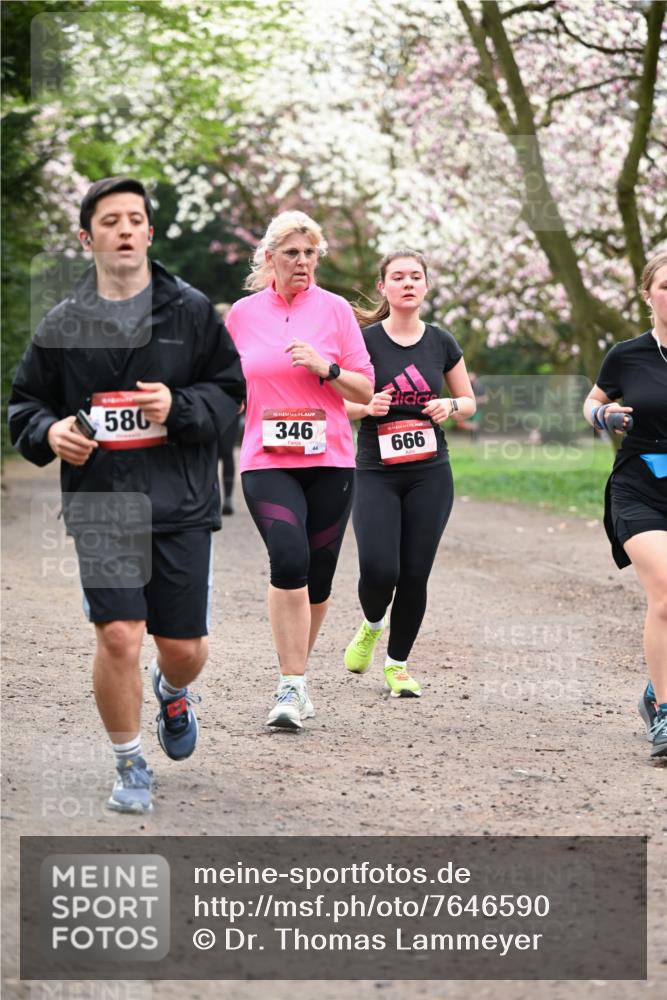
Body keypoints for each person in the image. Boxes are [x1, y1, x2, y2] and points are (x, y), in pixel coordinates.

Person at [8, 176, 245, 812]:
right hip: (101, 501)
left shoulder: (190, 311)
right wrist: (49, 430)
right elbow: (24, 403)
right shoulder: (63, 322)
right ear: (88, 238)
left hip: (181, 499)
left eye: (135, 219)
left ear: (148, 231)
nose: (125, 230)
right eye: (110, 221)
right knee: (118, 635)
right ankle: (129, 763)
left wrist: (181, 405)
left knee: (185, 648)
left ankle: (172, 688)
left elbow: (230, 391)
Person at [224, 210, 374, 730]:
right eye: (292, 253)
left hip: (330, 458)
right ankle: (291, 685)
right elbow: (223, 382)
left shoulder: (335, 312)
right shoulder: (242, 315)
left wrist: (326, 368)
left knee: (319, 577)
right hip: (266, 459)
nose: (303, 262)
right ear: (270, 258)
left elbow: (365, 388)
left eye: (311, 253)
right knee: (287, 560)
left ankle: (297, 678)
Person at [343, 250, 476, 697]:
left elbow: (469, 402)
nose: (407, 283)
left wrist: (451, 406)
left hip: (430, 472)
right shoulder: (362, 341)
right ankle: (372, 623)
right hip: (375, 470)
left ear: (426, 286)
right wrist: (365, 407)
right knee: (381, 568)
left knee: (415, 572)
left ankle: (397, 665)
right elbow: (335, 403)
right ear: (383, 287)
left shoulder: (441, 341)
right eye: (397, 277)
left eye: (415, 276)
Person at [583, 249, 667, 760]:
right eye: (666, 286)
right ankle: (666, 715)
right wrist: (605, 417)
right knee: (666, 590)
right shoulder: (626, 354)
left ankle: (656, 687)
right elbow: (592, 402)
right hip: (639, 487)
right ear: (647, 294)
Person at [215, 302, 242, 515]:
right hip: (214, 404)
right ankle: (213, 497)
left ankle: (229, 498)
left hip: (233, 405)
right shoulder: (210, 342)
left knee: (226, 450)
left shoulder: (239, 341)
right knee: (213, 452)